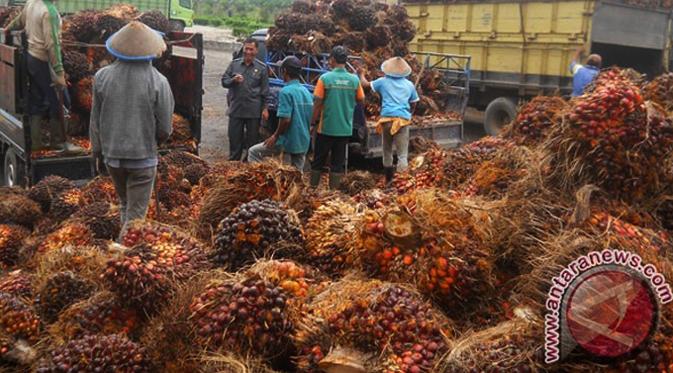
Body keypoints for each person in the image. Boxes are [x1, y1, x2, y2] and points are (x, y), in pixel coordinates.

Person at [89, 21, 174, 238]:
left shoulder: (101, 76)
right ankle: (120, 256)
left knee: (126, 204)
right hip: (142, 158)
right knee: (137, 217)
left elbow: (95, 121)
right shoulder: (159, 81)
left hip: (112, 157)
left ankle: (120, 248)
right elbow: (165, 127)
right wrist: (157, 140)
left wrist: (97, 152)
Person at [6, 0, 82, 152]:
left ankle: (36, 143)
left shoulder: (32, 2)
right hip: (44, 61)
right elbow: (52, 44)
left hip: (31, 59)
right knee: (62, 100)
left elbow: (20, 20)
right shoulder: (50, 11)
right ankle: (59, 142)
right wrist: (59, 72)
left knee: (37, 98)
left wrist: (7, 29)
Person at [310, 46, 365, 189]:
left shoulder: (325, 79)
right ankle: (333, 193)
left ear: (333, 60)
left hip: (326, 128)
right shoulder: (354, 80)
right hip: (344, 129)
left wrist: (312, 122)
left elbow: (317, 103)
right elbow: (361, 99)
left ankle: (312, 190)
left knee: (318, 161)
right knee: (337, 163)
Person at [359, 56, 419, 184]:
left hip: (386, 120)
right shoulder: (409, 85)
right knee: (402, 154)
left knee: (387, 150)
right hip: (402, 121)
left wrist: (361, 74)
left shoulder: (383, 82)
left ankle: (388, 180)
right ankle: (402, 182)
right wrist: (409, 114)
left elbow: (364, 85)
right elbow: (414, 103)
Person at [248, 56, 312, 171]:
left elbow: (286, 119)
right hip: (303, 141)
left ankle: (259, 179)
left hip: (288, 141)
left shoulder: (286, 91)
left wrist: (275, 135)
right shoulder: (306, 91)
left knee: (253, 152)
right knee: (297, 174)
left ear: (285, 71)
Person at [221, 38, 269, 161]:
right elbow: (224, 81)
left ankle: (248, 166)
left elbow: (265, 92)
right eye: (246, 48)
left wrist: (265, 109)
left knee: (251, 143)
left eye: (251, 49)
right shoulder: (234, 64)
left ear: (256, 50)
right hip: (236, 109)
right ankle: (233, 165)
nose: (248, 52)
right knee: (234, 140)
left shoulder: (262, 68)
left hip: (253, 112)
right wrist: (233, 80)